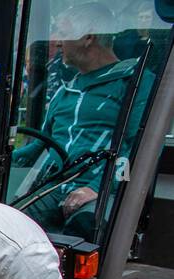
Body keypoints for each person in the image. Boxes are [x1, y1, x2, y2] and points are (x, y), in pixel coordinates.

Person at [12, 5, 154, 235]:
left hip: (101, 191)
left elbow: (139, 147)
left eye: (63, 34)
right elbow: (42, 145)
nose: (58, 43)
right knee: (7, 225)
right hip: (54, 186)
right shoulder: (65, 92)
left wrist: (98, 188)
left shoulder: (134, 83)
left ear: (88, 37)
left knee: (85, 227)